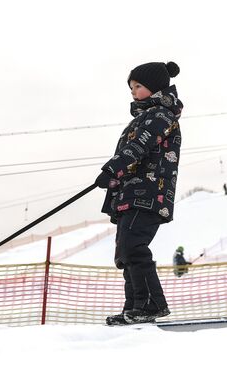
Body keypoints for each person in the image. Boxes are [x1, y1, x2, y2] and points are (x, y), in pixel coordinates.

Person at [95, 61, 183, 325]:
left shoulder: (160, 115)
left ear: (154, 88)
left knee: (134, 247)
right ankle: (135, 306)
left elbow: (139, 147)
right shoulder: (143, 116)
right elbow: (132, 153)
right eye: (131, 87)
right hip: (131, 194)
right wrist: (115, 181)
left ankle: (151, 304)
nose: (133, 91)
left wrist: (112, 170)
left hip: (148, 194)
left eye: (138, 86)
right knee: (125, 252)